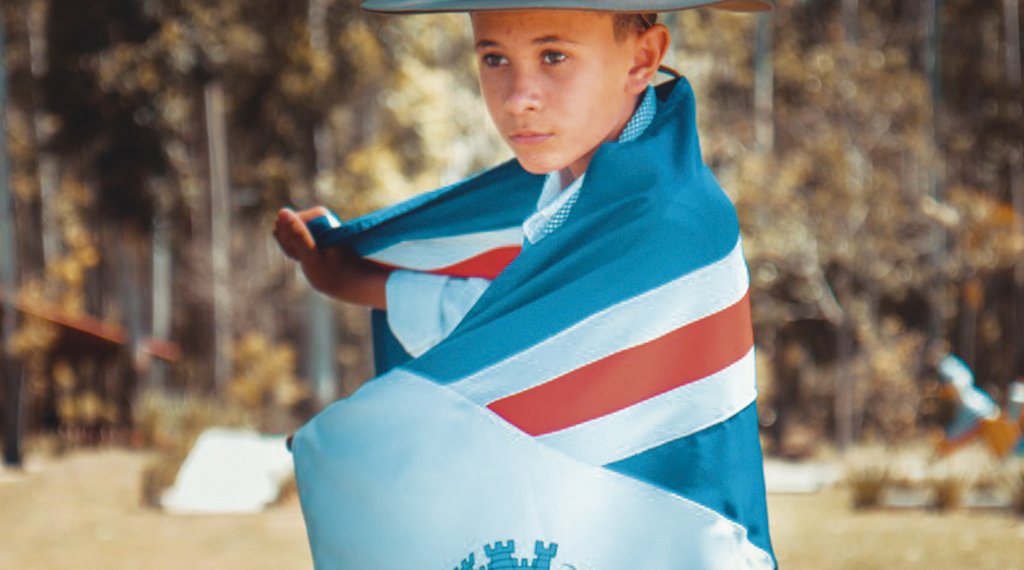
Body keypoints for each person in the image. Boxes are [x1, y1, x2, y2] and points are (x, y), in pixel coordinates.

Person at [275, 2, 777, 568]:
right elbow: (505, 320)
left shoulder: (675, 225)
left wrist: (351, 442)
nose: (518, 97)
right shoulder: (562, 201)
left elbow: (521, 361)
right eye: (494, 59)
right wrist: (353, 278)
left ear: (643, 59)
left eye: (554, 56)